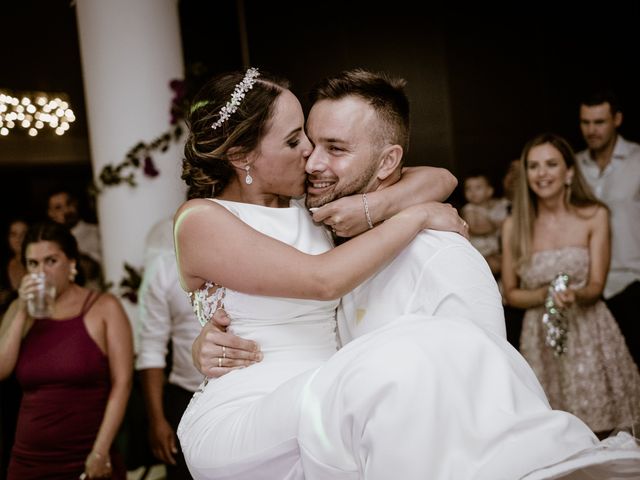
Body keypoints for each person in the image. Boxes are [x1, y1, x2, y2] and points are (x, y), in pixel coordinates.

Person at [180, 67, 640, 479]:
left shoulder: (311, 205)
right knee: (401, 355)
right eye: (296, 140)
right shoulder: (201, 219)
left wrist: (378, 204)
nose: (310, 155)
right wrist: (417, 216)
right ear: (242, 155)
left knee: (416, 360)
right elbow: (321, 280)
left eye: (320, 142)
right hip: (252, 416)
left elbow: (439, 177)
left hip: (329, 401)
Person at [501, 132, 640, 437]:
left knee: (609, 433)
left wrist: (573, 294)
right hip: (539, 340)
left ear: (569, 172)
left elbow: (596, 286)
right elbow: (510, 293)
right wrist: (546, 295)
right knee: (553, 435)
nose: (542, 174)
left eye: (551, 164)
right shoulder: (515, 225)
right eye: (534, 166)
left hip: (591, 335)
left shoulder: (595, 215)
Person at [0, 221, 134, 479]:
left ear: (72, 263)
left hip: (86, 456)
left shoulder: (104, 307)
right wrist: (20, 312)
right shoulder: (21, 308)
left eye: (50, 261)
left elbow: (123, 383)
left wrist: (100, 451)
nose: (41, 272)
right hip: (28, 460)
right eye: (33, 264)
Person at [575, 89, 640, 368]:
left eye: (599, 122)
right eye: (585, 123)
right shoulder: (573, 166)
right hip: (589, 289)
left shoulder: (639, 159)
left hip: (633, 282)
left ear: (617, 119)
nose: (591, 130)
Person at [136, 217, 202, 479]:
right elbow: (151, 347)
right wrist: (157, 419)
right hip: (186, 396)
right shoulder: (164, 269)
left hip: (250, 393)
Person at [0, 219, 27, 480]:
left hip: (35, 349)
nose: (18, 239)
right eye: (13, 234)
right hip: (6, 345)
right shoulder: (2, 270)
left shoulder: (43, 270)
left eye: (24, 234)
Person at [47, 188, 104, 291]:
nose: (66, 210)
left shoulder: (96, 232)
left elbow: (91, 271)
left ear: (76, 203)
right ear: (51, 214)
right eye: (58, 208)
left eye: (69, 203)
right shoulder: (49, 241)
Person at [460, 172, 509, 276]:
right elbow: (474, 227)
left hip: (493, 249)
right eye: (468, 188)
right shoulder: (470, 209)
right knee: (494, 265)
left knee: (506, 262)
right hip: (480, 250)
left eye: (478, 188)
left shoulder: (495, 206)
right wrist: (494, 226)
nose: (473, 192)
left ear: (489, 191)